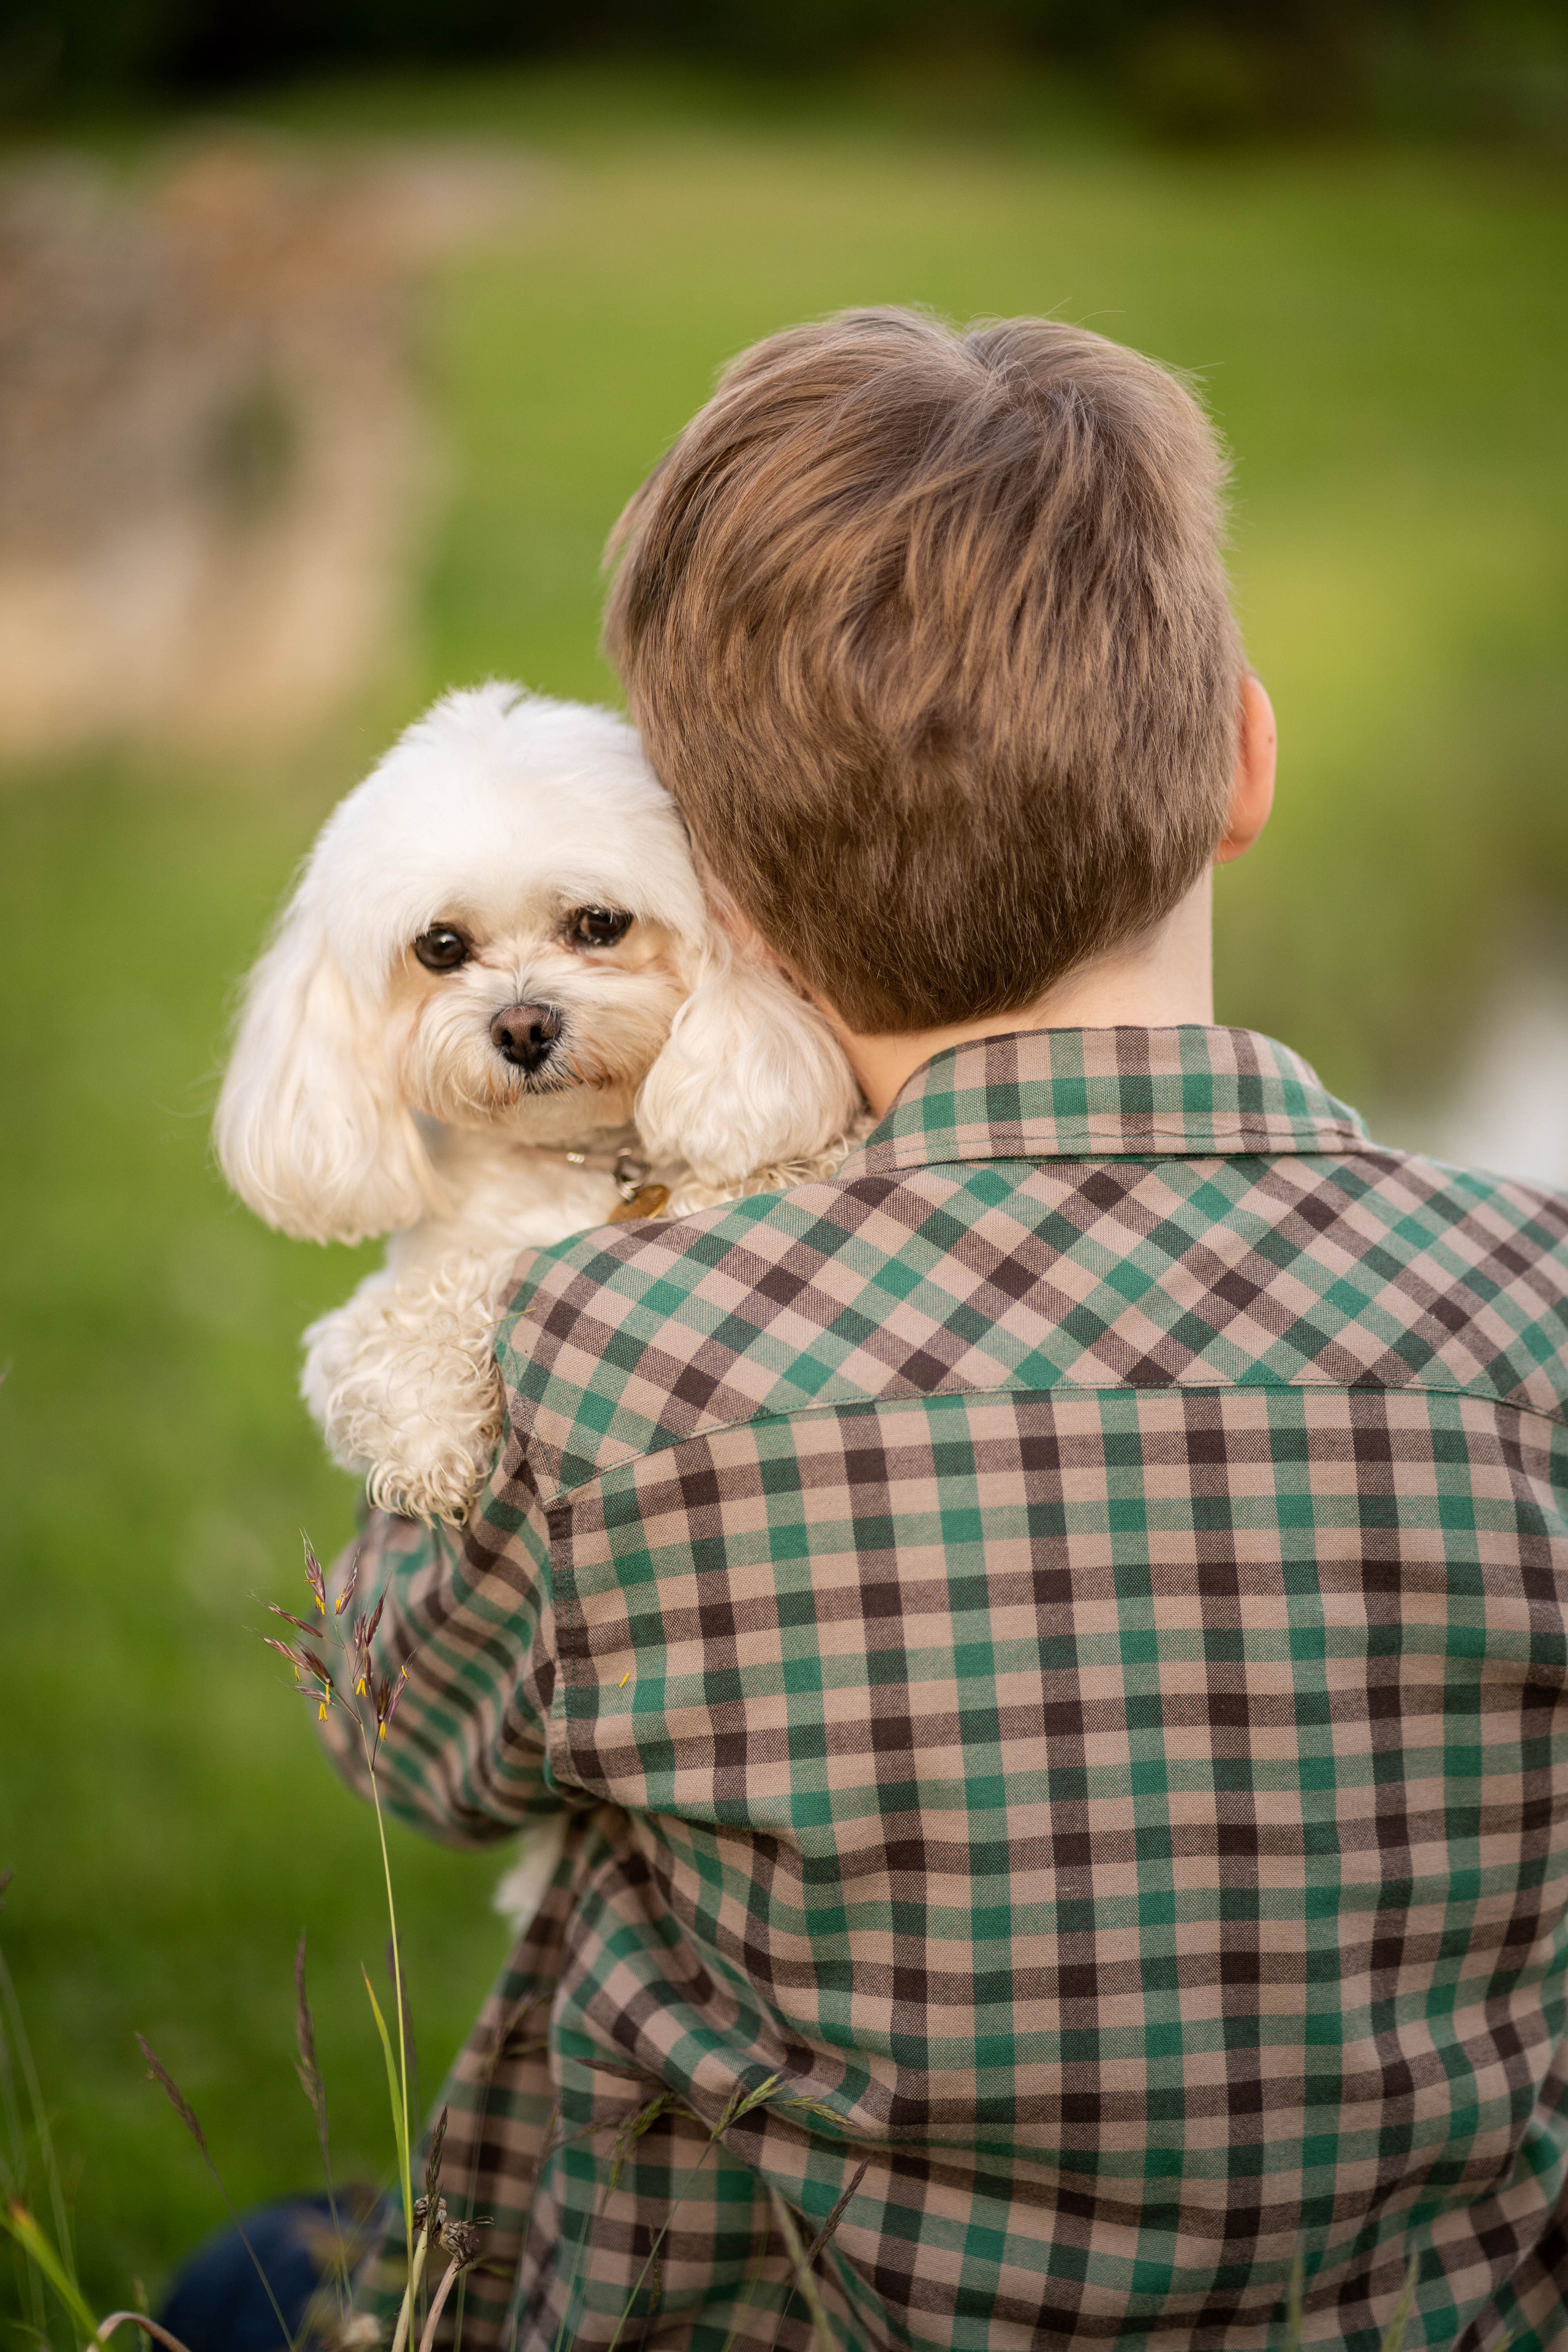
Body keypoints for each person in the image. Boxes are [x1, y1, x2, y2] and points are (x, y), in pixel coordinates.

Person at [313, 311, 1568, 2349]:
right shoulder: (1536, 1322)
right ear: (1246, 756)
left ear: (721, 891)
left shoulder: (605, 1360)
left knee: (265, 2265)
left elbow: (410, 1749)